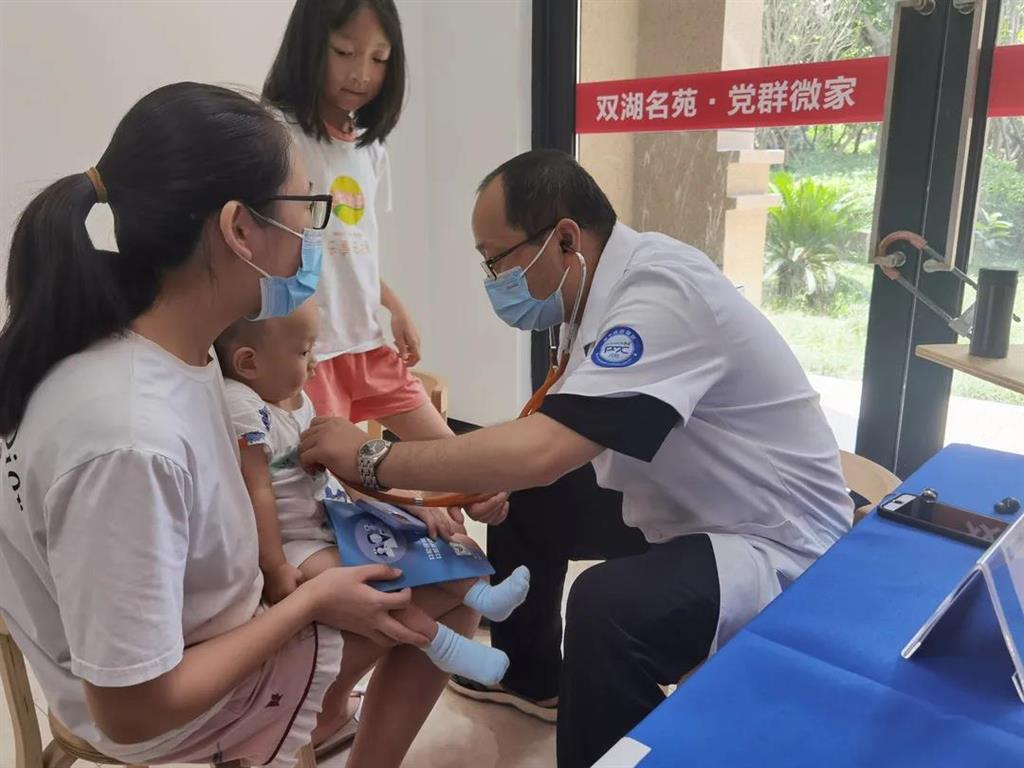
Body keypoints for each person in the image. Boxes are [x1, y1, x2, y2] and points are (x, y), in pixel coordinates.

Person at [297, 149, 855, 767]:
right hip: (692, 498)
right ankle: (530, 678)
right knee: (526, 499)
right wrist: (477, 476)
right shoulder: (592, 294)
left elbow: (543, 449)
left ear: (564, 238)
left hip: (772, 535)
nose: (493, 279)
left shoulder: (661, 291)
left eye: (496, 259)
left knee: (605, 609)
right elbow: (545, 440)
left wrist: (372, 458)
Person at [0, 82, 497, 768]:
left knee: (444, 575)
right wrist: (308, 603)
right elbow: (133, 709)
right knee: (448, 594)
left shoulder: (166, 350)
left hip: (197, 630)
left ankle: (332, 717)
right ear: (239, 230)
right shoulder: (130, 435)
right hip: (178, 708)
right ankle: (326, 721)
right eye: (306, 211)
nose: (314, 239)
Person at [213, 299, 529, 688]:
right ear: (249, 363)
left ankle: (482, 597)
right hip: (295, 544)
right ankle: (443, 645)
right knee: (373, 586)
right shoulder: (242, 406)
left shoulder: (293, 399)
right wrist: (276, 567)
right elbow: (258, 491)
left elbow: (337, 465)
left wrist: (398, 504)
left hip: (331, 518)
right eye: (303, 352)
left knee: (433, 541)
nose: (315, 364)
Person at [263, 0, 452, 440]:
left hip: (367, 342)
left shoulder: (370, 149)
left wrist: (395, 306)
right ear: (308, 45)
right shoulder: (276, 136)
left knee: (453, 460)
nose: (361, 74)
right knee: (326, 478)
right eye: (344, 52)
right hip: (310, 352)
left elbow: (349, 248)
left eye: (379, 58)